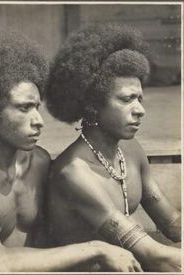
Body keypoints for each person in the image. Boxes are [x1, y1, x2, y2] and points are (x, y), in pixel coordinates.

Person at [0, 30, 142, 272]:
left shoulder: (39, 161)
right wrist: (97, 249)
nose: (39, 120)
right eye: (24, 108)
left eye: (36, 107)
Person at [45, 24, 181, 272]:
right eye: (126, 99)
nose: (140, 110)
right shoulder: (73, 171)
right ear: (93, 105)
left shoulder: (132, 150)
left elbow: (173, 223)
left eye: (139, 98)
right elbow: (154, 254)